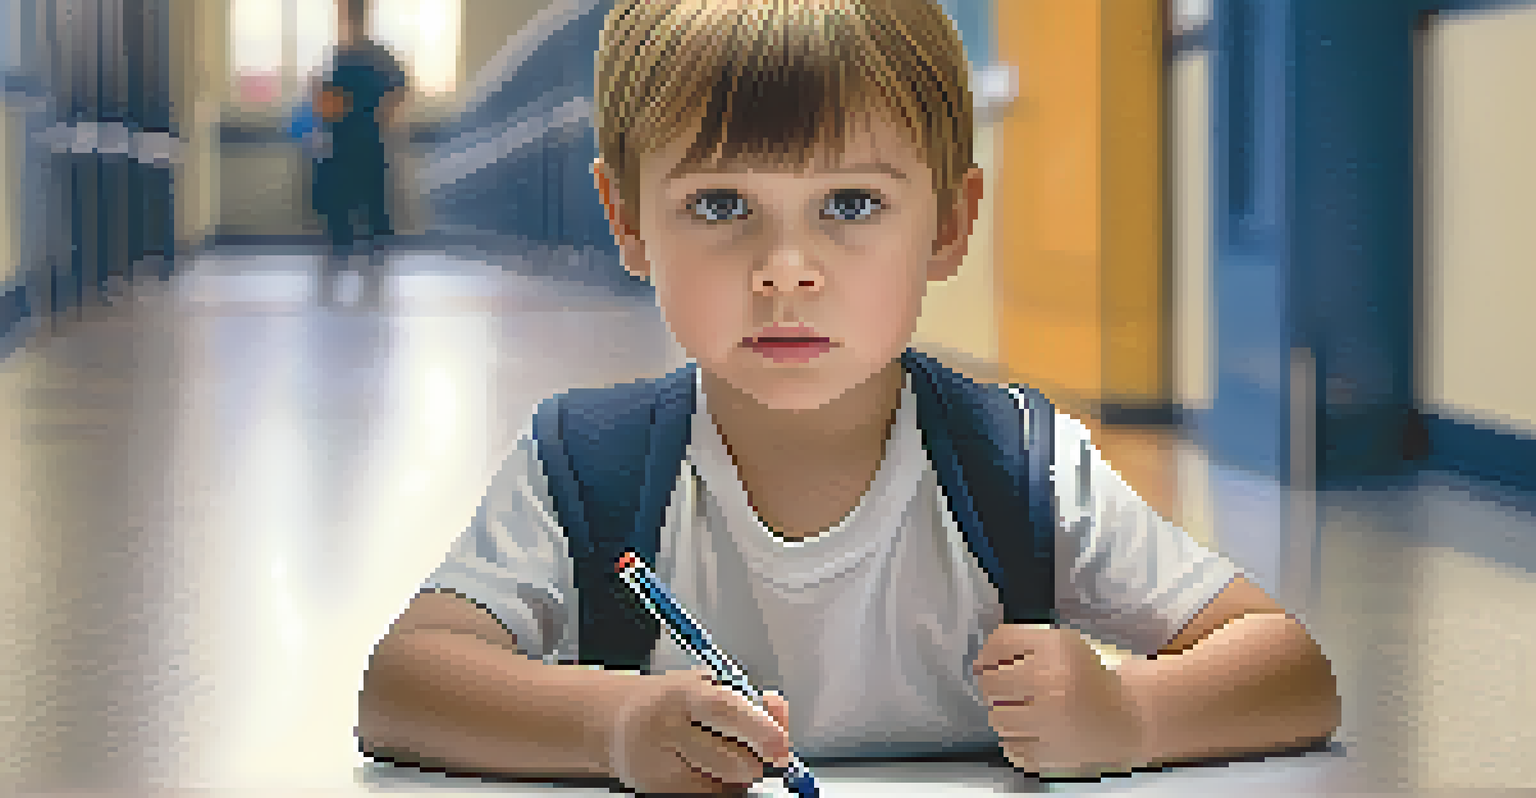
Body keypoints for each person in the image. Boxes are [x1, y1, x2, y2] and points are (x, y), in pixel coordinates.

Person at [354, 1, 1343, 794]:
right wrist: (611, 725)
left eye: (852, 205)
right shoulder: (588, 465)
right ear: (628, 220)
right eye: (721, 206)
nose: (787, 271)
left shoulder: (1023, 466)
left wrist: (1133, 715)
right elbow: (405, 685)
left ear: (950, 224)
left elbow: (1287, 666)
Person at [310, 0, 409, 307]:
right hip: (342, 136)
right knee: (340, 195)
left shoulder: (376, 55)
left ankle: (374, 261)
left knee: (373, 198)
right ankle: (344, 249)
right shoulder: (338, 55)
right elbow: (326, 97)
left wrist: (384, 113)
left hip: (367, 135)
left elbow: (399, 86)